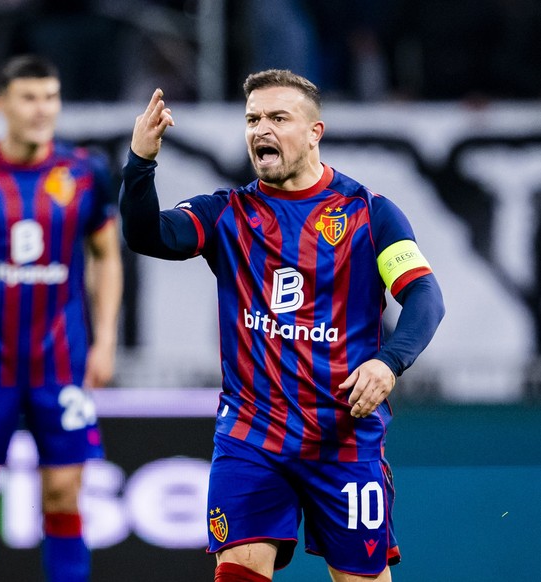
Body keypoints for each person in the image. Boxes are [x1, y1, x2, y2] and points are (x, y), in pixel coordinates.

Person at [120, 70, 444, 582]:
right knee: (239, 570)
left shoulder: (369, 214)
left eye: (277, 118)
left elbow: (425, 296)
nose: (260, 130)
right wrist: (140, 163)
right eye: (252, 119)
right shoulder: (227, 212)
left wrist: (389, 362)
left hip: (343, 436)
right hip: (252, 435)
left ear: (315, 131)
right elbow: (147, 235)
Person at [0, 54, 123, 582]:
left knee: (63, 492)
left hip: (62, 363)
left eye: (50, 97)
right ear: (2, 104)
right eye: (29, 97)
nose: (41, 109)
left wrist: (104, 343)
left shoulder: (85, 173)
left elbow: (106, 256)